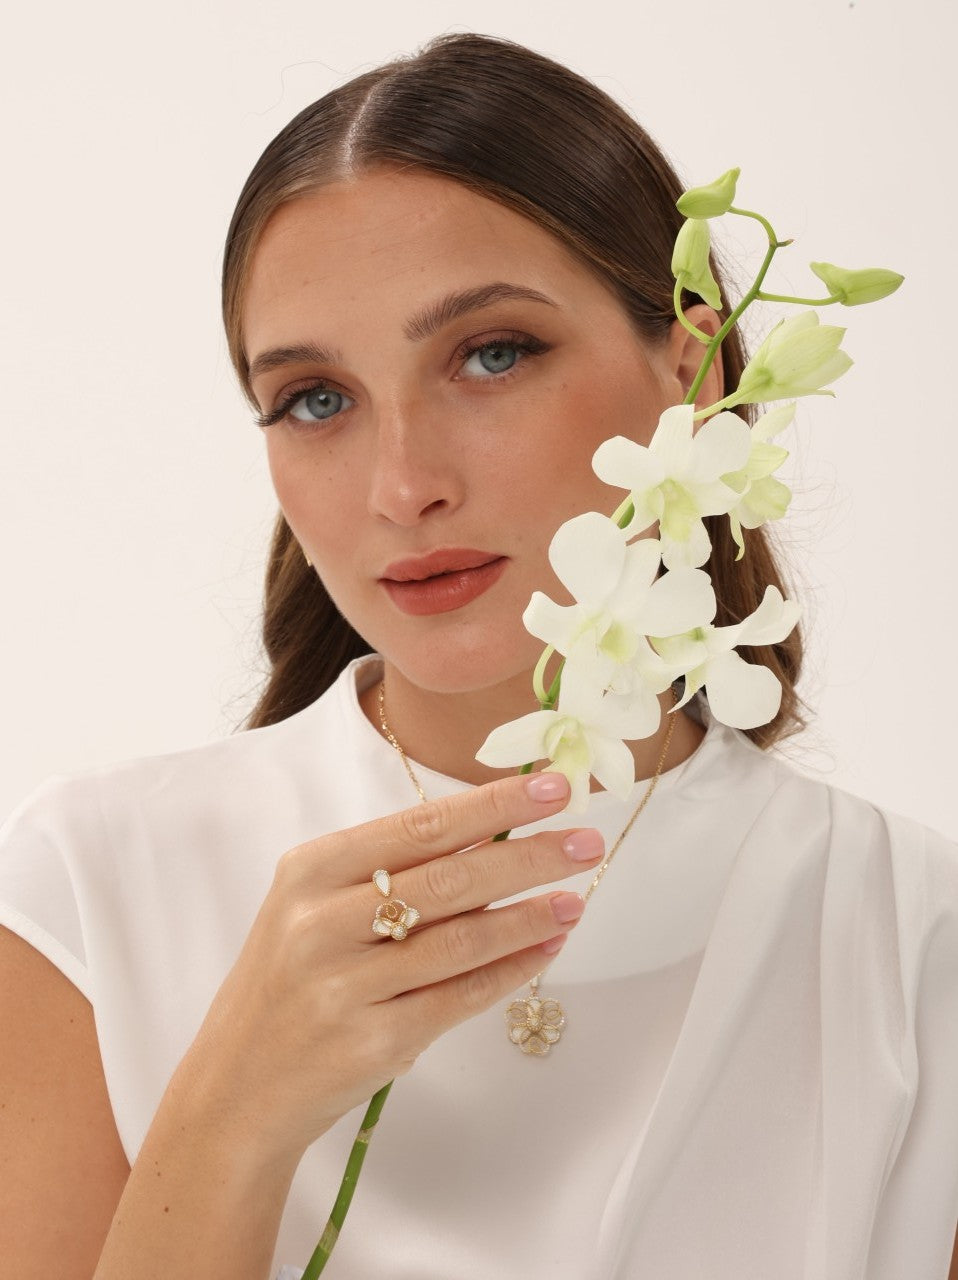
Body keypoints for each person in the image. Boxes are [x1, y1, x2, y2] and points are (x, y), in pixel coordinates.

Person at [1, 30, 955, 1280]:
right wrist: (232, 1107)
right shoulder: (91, 893)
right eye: (316, 398)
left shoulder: (908, 937)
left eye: (492, 354)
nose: (404, 485)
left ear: (693, 368)